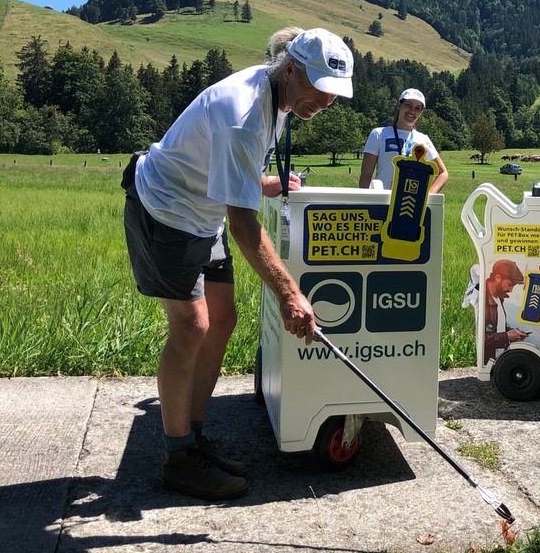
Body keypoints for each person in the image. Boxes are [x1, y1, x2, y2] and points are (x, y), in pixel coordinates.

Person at [123, 26, 353, 501]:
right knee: (192, 327)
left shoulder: (281, 100)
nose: (325, 103)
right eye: (320, 89)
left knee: (224, 319)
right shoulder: (244, 112)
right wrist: (290, 294)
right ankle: (178, 458)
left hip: (202, 212)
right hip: (167, 211)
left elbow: (231, 168)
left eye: (335, 95)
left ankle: (192, 435)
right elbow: (246, 227)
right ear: (290, 69)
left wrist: (265, 182)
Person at [358, 88, 449, 193]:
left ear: (421, 113)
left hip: (411, 203)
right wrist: (364, 201)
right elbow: (366, 175)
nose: (412, 111)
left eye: (417, 108)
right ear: (399, 105)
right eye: (408, 105)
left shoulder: (423, 139)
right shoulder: (378, 134)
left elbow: (443, 173)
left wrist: (428, 196)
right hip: (382, 201)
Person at [483, 259, 527, 364]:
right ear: (498, 278)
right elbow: (481, 338)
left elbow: (494, 328)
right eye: (510, 284)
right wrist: (507, 336)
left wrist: (512, 332)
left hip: (497, 361)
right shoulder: (482, 300)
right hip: (488, 362)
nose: (511, 290)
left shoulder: (498, 298)